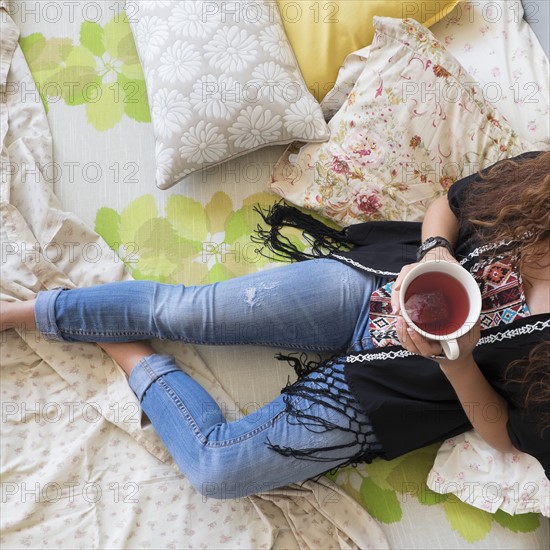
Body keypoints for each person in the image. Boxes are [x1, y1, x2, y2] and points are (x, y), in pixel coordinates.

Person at [1, 151, 549, 499]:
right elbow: (449, 203)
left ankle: (126, 351)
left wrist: (454, 364)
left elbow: (504, 438)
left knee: (218, 468)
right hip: (373, 284)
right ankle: (22, 313)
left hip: (402, 394)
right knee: (185, 312)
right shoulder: (543, 185)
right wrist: (434, 251)